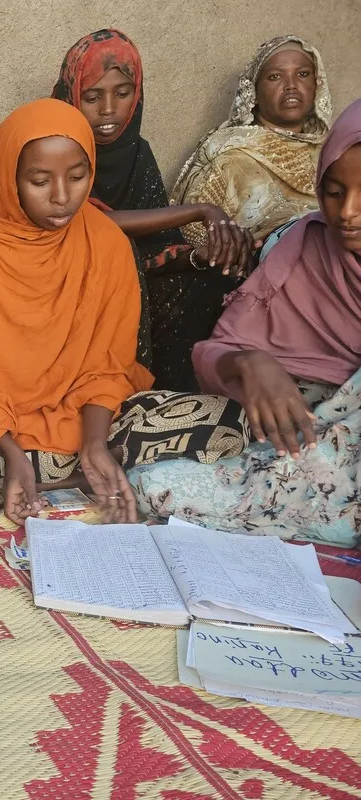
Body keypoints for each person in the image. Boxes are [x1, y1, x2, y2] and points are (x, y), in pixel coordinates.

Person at [0, 99, 249, 526]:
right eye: (40, 181)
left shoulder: (104, 241)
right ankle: (74, 480)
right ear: (9, 179)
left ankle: (80, 472)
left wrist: (94, 443)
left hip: (93, 424)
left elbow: (106, 368)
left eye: (77, 177)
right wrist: (12, 452)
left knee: (230, 422)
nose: (61, 197)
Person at [130, 98, 361, 547]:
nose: (348, 211)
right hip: (290, 430)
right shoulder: (303, 248)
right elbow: (214, 353)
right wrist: (249, 362)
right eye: (334, 192)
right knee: (149, 478)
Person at [52, 29, 252, 392]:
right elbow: (98, 223)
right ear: (71, 95)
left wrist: (202, 256)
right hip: (65, 289)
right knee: (117, 251)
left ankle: (177, 393)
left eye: (123, 93)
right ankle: (121, 388)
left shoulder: (137, 154)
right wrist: (201, 210)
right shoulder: (56, 146)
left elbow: (155, 248)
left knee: (219, 277)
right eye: (92, 96)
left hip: (131, 285)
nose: (109, 110)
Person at [173, 35, 332, 246]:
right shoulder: (231, 156)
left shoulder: (335, 152)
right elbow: (192, 237)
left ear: (317, 85)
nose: (291, 85)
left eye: (303, 74)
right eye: (275, 77)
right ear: (254, 93)